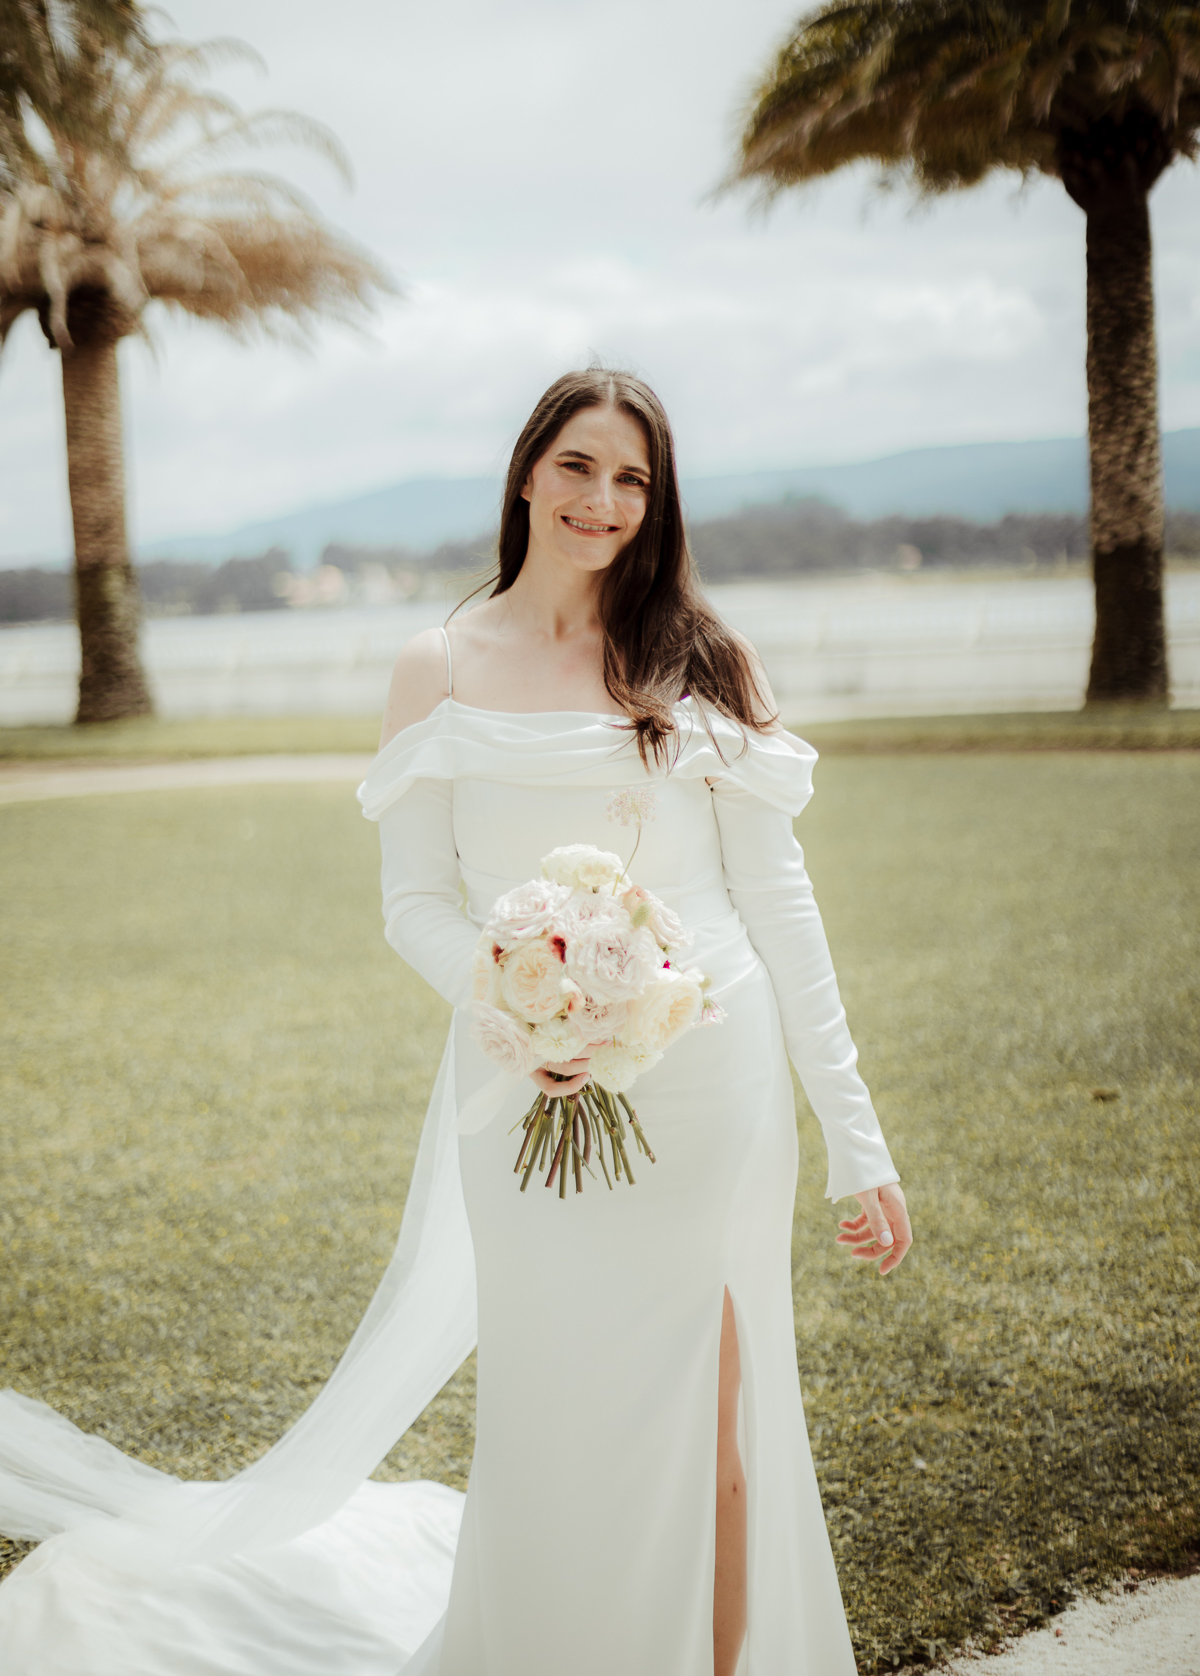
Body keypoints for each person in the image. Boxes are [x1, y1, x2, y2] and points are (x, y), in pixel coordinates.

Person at [0, 367, 910, 1676]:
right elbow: (415, 902)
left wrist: (857, 1138)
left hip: (719, 1090)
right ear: (529, 472)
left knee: (722, 1416)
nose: (603, 501)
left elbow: (785, 905)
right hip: (526, 1093)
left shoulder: (704, 661)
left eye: (634, 479)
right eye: (581, 466)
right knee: (554, 1410)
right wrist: (523, 1003)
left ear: (658, 504)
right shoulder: (440, 667)